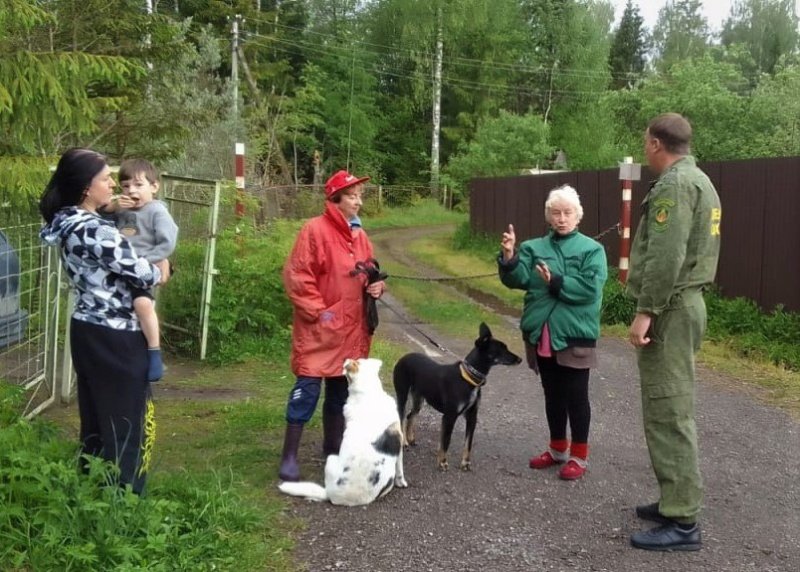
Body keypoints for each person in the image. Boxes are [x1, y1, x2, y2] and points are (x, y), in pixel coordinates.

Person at [39, 148, 164, 494]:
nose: (113, 184)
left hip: (86, 328)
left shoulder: (65, 222)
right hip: (118, 336)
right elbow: (145, 273)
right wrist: (161, 268)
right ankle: (124, 502)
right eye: (105, 178)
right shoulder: (97, 231)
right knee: (127, 422)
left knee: (95, 420)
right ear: (85, 188)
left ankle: (91, 491)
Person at [627, 113, 721, 551]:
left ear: (654, 144)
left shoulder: (675, 186)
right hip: (685, 304)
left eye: (645, 142)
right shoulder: (701, 181)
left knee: (669, 411)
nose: (645, 148)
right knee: (670, 405)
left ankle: (683, 522)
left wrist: (646, 309)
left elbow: (667, 255)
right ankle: (673, 500)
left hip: (671, 308)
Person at [278, 169, 386, 482]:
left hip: (353, 330)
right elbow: (297, 276)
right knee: (307, 391)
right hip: (318, 330)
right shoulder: (314, 230)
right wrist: (320, 313)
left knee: (340, 393)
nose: (358, 202)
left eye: (359, 196)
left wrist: (376, 287)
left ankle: (333, 450)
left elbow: (369, 273)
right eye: (352, 196)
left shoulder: (360, 235)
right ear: (335, 199)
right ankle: (289, 457)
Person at [498, 185, 607, 481]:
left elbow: (589, 289)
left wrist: (555, 281)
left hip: (574, 334)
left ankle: (579, 456)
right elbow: (518, 279)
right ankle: (558, 449)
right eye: (556, 213)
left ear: (578, 216)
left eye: (567, 212)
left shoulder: (592, 250)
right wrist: (509, 258)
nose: (561, 218)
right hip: (541, 334)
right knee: (553, 394)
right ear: (548, 216)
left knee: (576, 396)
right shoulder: (534, 248)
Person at [101, 159, 178, 382]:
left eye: (138, 185)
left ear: (154, 187)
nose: (131, 190)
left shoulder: (157, 212)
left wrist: (146, 261)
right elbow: (100, 213)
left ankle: (154, 352)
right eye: (125, 186)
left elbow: (167, 243)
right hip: (119, 269)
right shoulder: (122, 209)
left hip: (143, 268)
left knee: (143, 304)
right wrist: (115, 206)